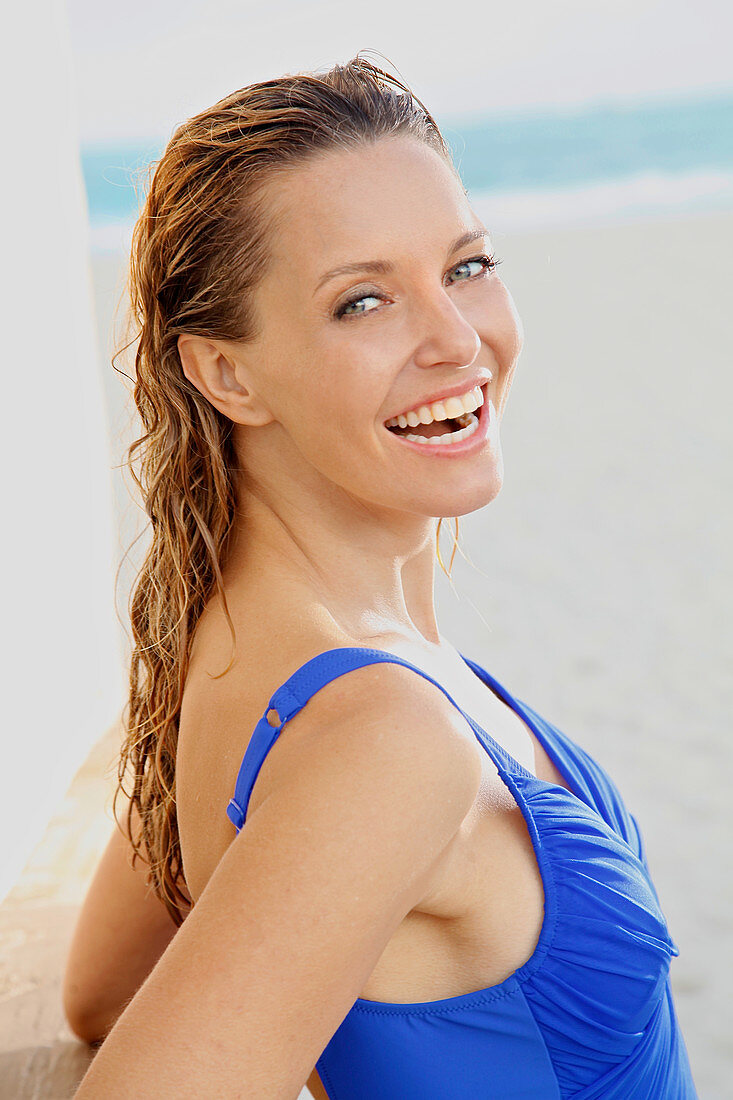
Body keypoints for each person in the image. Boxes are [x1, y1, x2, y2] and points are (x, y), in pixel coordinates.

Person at [65, 55, 698, 1098]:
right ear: (226, 371)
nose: (458, 339)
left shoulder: (244, 650)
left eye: (463, 266)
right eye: (362, 301)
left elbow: (102, 989)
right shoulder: (379, 739)